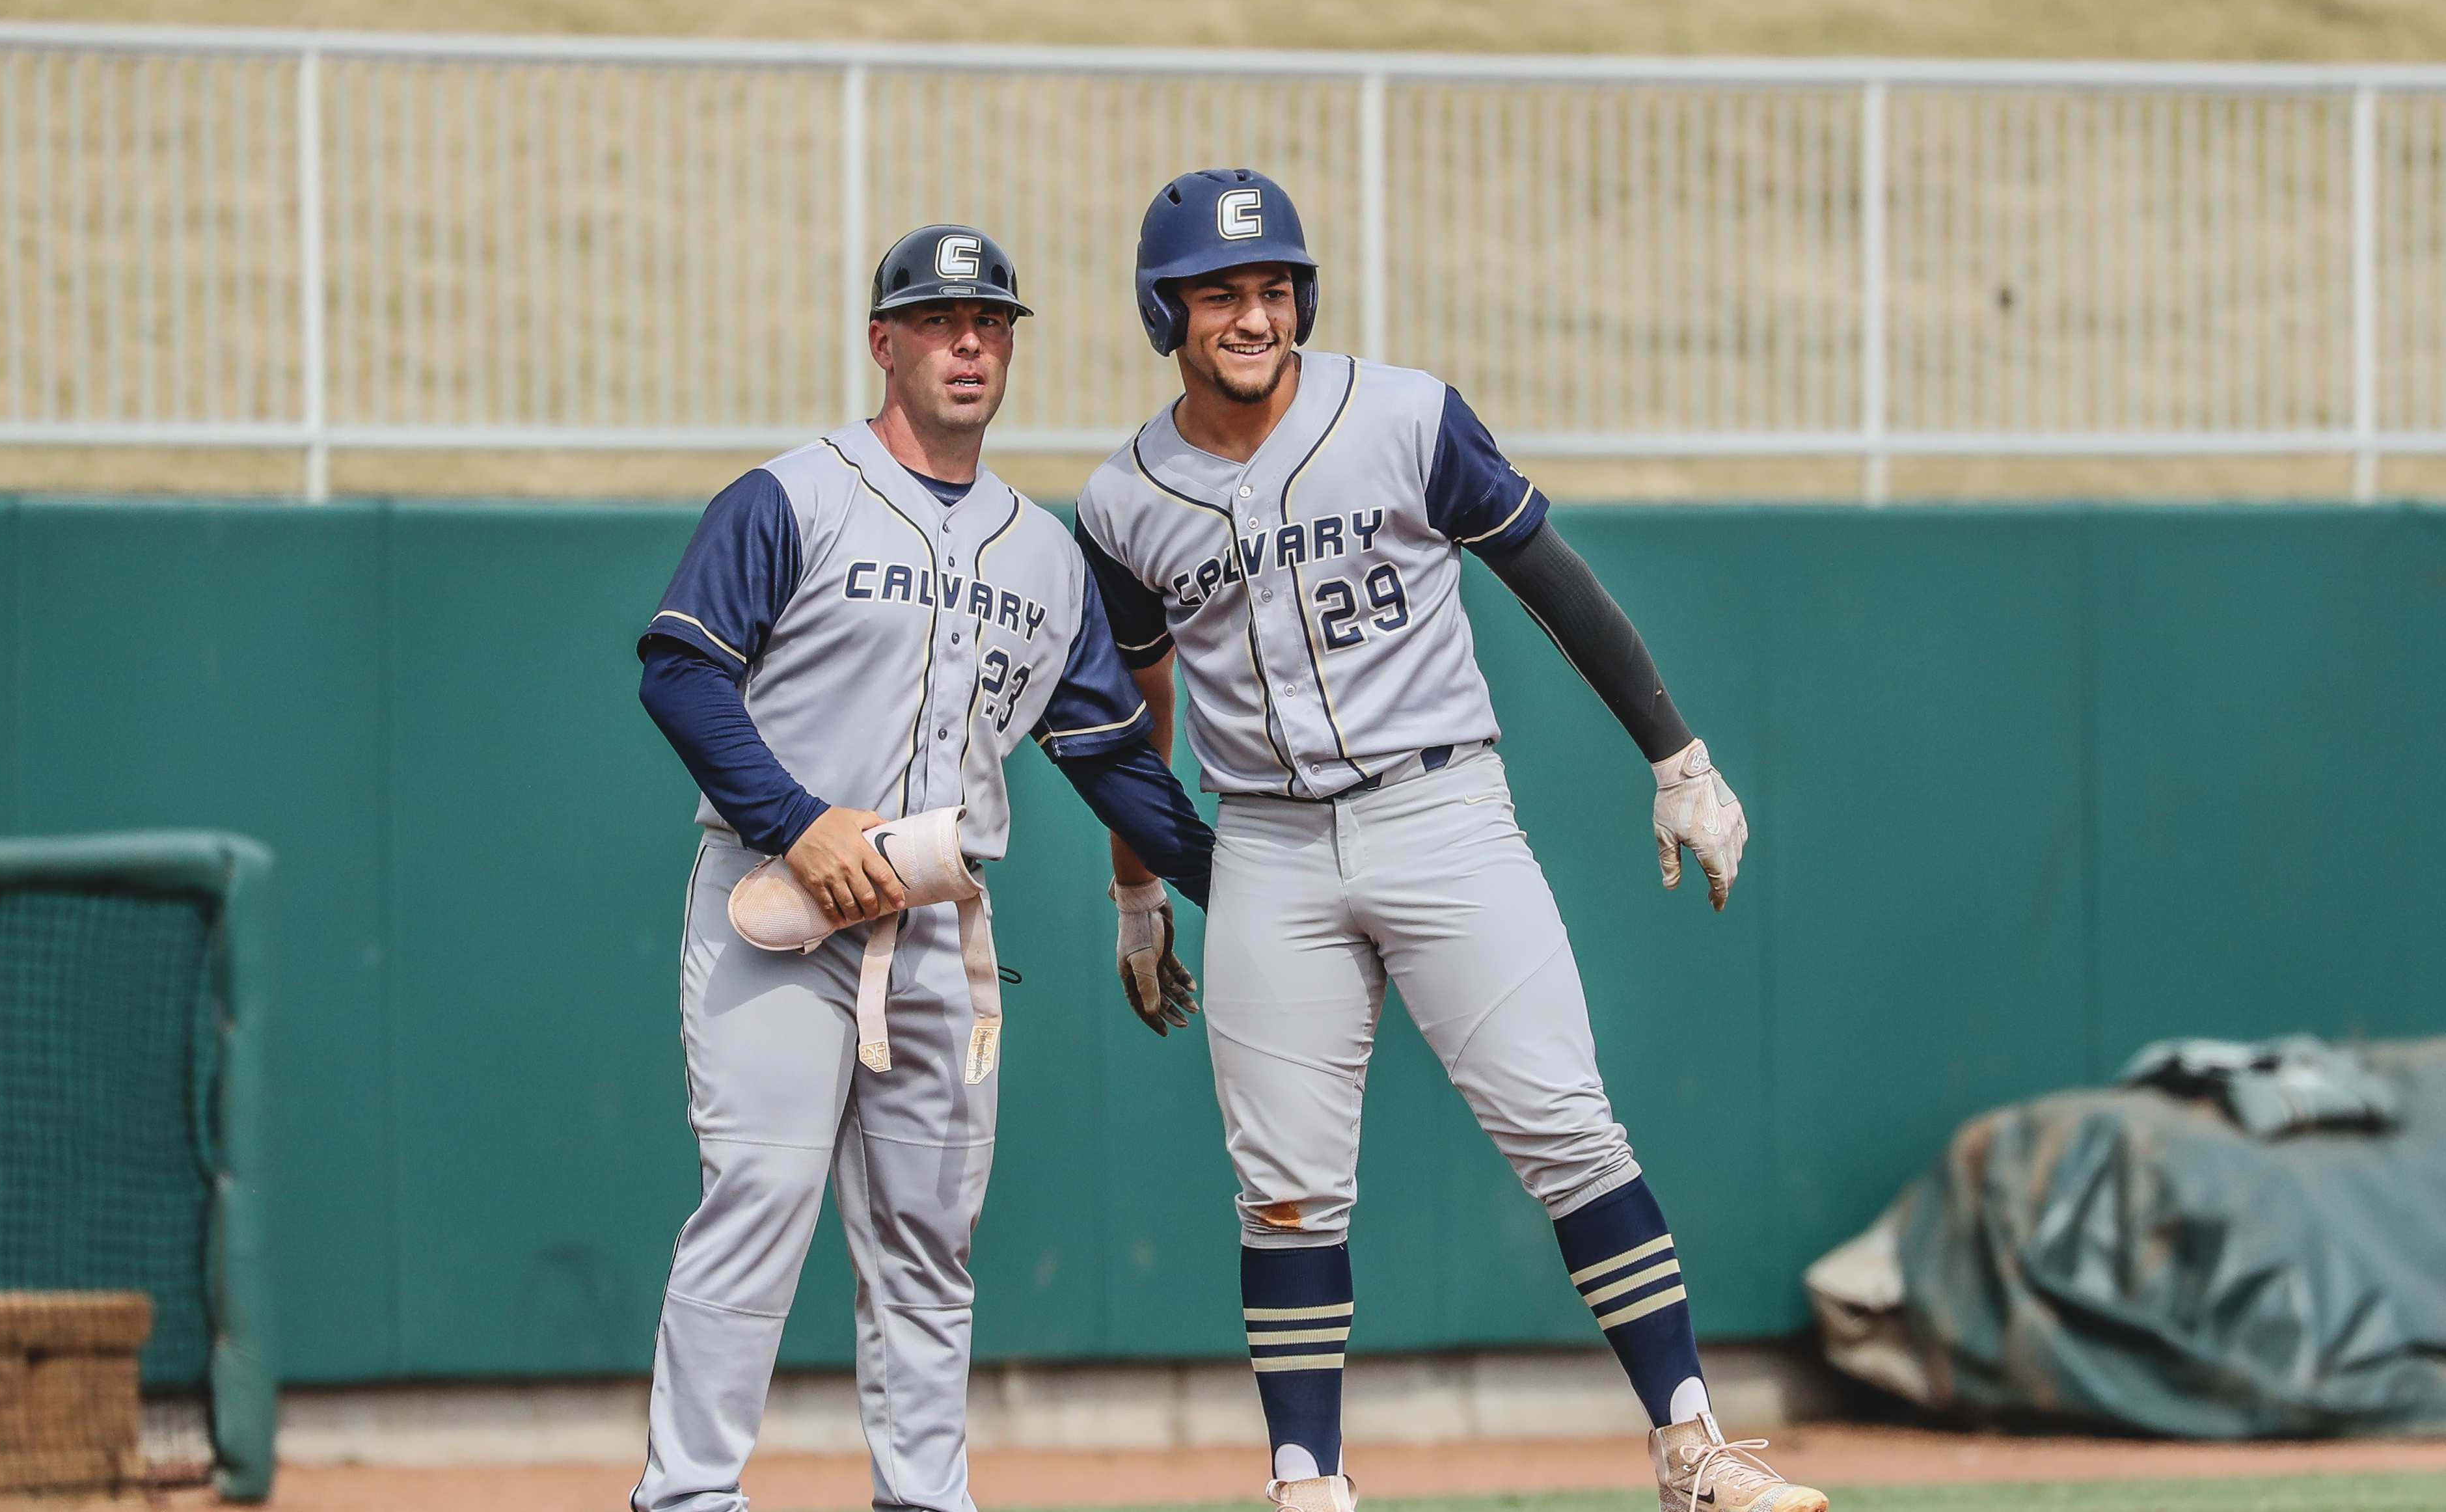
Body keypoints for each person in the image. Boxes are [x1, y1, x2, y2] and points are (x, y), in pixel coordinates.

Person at [1076, 171, 1824, 1512]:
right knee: (1287, 1190)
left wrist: (1679, 757)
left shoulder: (1405, 414)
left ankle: (1691, 1445)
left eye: (1271, 288)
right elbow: (1144, 701)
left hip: (1439, 809)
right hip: (1269, 849)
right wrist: (1137, 885)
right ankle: (1306, 1481)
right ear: (1164, 312)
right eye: (1220, 294)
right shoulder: (1125, 498)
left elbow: (1549, 578)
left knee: (1568, 1131)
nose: (1254, 316)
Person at [632, 224, 1212, 1512]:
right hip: (773, 901)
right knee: (759, 1199)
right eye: (942, 320)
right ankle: (685, 1499)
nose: (970, 343)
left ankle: (924, 1499)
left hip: (941, 922)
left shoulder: (1044, 553)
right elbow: (681, 673)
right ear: (883, 341)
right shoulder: (789, 497)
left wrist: (1234, 883)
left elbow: (1112, 758)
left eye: (992, 322)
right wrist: (795, 818)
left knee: (927, 1242)